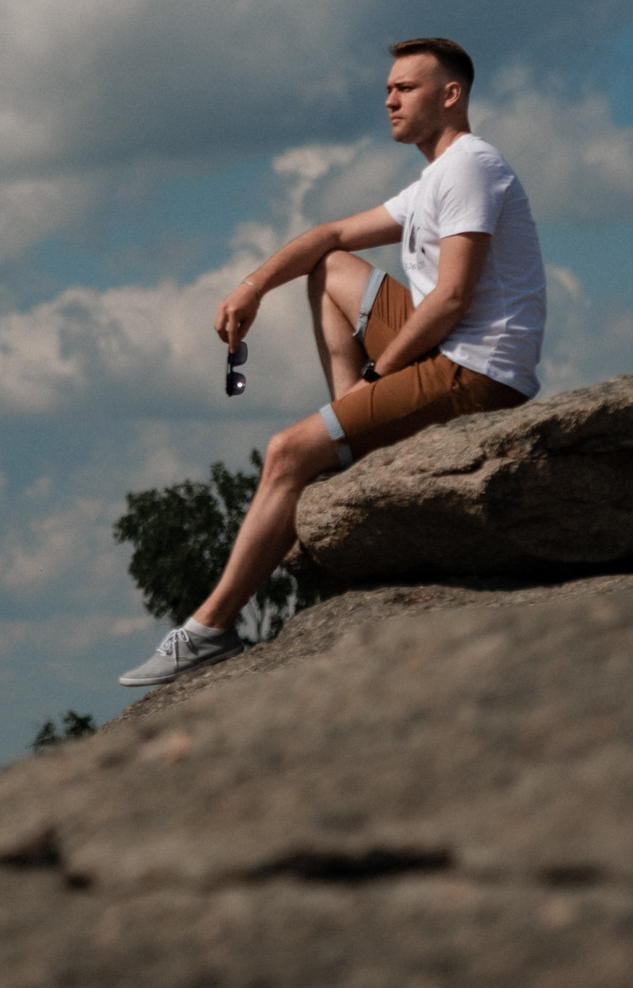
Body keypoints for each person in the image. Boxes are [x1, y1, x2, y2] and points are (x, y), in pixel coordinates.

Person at [119, 37, 547, 687]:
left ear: (450, 94)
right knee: (330, 267)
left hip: (476, 372)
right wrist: (252, 286)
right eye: (388, 88)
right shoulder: (436, 177)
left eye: (405, 86)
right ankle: (358, 438)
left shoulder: (470, 167)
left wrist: (377, 378)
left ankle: (208, 629)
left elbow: (454, 298)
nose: (389, 98)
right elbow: (331, 237)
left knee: (287, 452)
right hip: (446, 351)